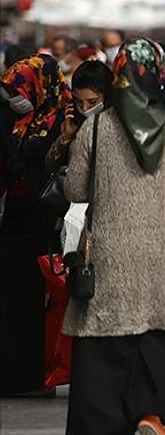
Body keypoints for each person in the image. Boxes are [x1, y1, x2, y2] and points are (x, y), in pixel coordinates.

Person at [62, 38, 165, 434]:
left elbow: (74, 190)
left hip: (109, 260)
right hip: (164, 259)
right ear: (158, 73)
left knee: (104, 357)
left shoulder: (96, 127)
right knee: (157, 345)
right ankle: (150, 415)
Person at [0, 53, 72, 397]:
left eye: (20, 88)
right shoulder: (13, 118)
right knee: (13, 301)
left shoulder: (62, 117)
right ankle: (14, 374)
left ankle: (36, 376)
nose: (14, 97)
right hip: (11, 219)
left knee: (39, 303)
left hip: (45, 221)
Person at [45, 60, 114, 171]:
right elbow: (50, 166)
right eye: (79, 102)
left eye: (92, 102)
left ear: (107, 96)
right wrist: (66, 137)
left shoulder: (120, 123)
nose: (85, 108)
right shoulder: (71, 120)